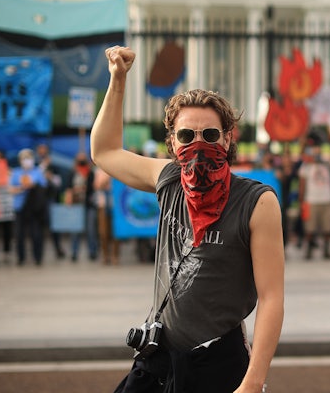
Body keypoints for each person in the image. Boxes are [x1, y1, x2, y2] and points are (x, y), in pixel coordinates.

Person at [93, 45, 284, 393]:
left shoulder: (258, 202)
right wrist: (118, 80)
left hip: (217, 362)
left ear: (227, 139)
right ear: (172, 142)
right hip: (158, 357)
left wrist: (253, 381)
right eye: (186, 135)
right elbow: (104, 150)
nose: (199, 144)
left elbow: (272, 297)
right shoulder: (168, 179)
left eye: (210, 135)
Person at [297, 135, 330, 260]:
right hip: (311, 201)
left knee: (328, 227)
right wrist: (301, 201)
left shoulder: (326, 163)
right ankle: (309, 250)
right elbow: (302, 185)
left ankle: (327, 250)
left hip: (327, 200)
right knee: (310, 228)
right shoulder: (306, 166)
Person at [9, 148, 48, 266]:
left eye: (29, 158)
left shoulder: (38, 172)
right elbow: (10, 189)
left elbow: (44, 188)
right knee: (19, 234)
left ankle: (37, 257)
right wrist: (22, 187)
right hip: (20, 207)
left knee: (36, 233)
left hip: (34, 209)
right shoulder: (16, 173)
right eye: (24, 158)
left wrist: (33, 185)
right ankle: (21, 257)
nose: (27, 161)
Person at [66, 152, 99, 262]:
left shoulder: (90, 172)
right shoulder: (72, 171)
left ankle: (92, 251)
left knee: (91, 230)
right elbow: (68, 187)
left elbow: (93, 188)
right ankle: (74, 252)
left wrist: (84, 189)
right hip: (76, 205)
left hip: (89, 205)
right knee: (75, 230)